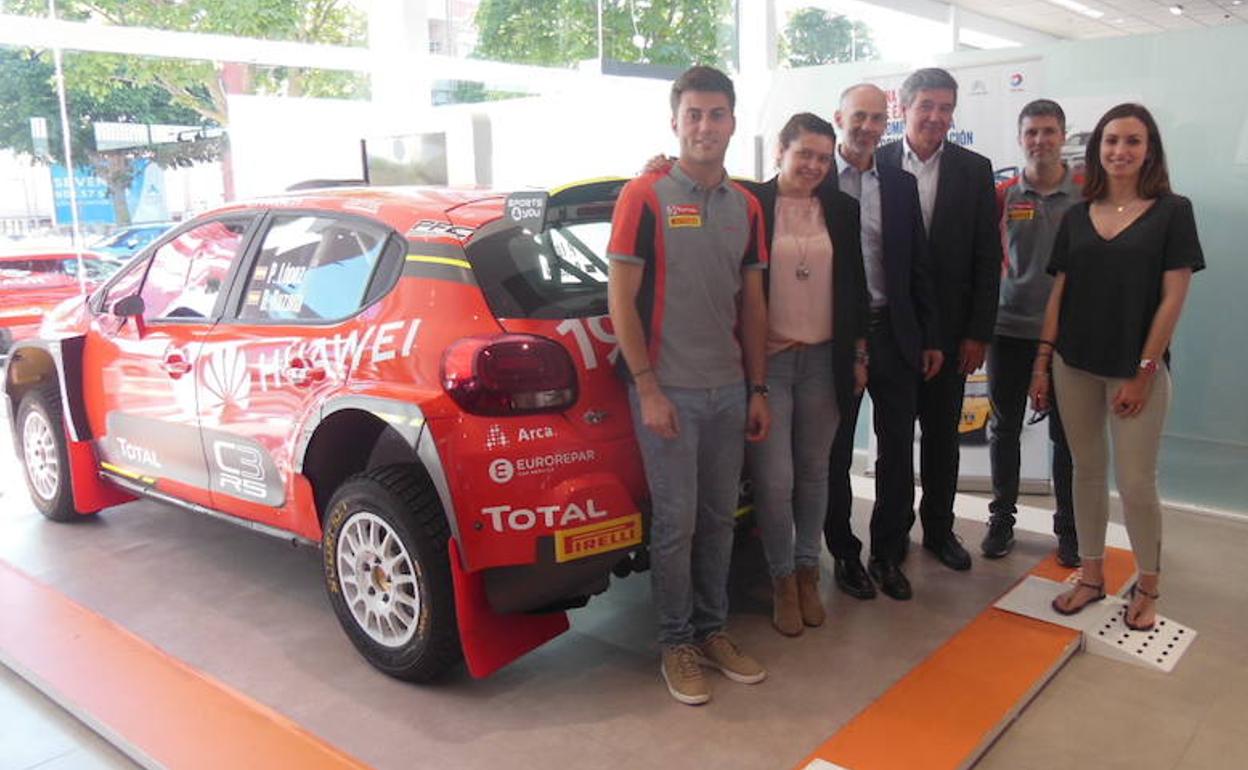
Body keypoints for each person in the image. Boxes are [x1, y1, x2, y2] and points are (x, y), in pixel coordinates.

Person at [607, 65, 770, 706]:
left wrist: (758, 388)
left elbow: (754, 305)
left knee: (719, 520)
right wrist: (646, 386)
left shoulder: (748, 206)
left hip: (730, 390)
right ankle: (676, 641)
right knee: (674, 525)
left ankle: (712, 629)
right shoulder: (643, 196)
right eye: (694, 115)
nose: (705, 126)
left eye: (717, 115)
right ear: (675, 121)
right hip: (668, 390)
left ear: (732, 122)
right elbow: (620, 298)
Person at [1032, 103, 1203, 632]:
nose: (1120, 151)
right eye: (1110, 141)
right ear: (1097, 149)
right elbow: (1060, 289)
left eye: (1132, 141)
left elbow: (1173, 297)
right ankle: (1090, 576)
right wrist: (1043, 361)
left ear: (1148, 148)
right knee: (1085, 473)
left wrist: (1145, 370)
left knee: (1135, 481)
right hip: (1073, 364)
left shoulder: (1173, 211)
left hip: (1135, 369)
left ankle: (1148, 586)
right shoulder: (1077, 215)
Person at [738, 112, 869, 635]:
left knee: (816, 474)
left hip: (824, 360)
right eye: (804, 153)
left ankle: (810, 571)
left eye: (823, 155)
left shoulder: (842, 208)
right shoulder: (750, 204)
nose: (814, 164)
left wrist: (860, 354)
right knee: (775, 481)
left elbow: (855, 285)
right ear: (780, 151)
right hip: (769, 364)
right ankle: (781, 579)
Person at [877, 67, 1002, 572]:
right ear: (902, 108)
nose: (936, 116)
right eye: (926, 105)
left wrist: (978, 332)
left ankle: (939, 531)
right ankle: (890, 537)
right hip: (893, 331)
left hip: (953, 333)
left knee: (943, 440)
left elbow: (987, 258)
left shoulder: (975, 169)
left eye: (946, 107)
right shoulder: (878, 164)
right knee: (893, 443)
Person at [822, 83, 943, 601]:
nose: (868, 127)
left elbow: (919, 266)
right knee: (835, 453)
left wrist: (931, 335)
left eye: (877, 118)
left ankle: (888, 553)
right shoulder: (813, 177)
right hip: (835, 337)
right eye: (859, 117)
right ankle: (844, 554)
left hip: (894, 333)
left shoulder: (899, 183)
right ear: (839, 117)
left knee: (898, 450)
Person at [983, 99, 1080, 567]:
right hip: (1009, 329)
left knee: (1067, 435)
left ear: (1063, 135)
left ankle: (1069, 529)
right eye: (1031, 132)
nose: (1040, 140)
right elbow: (985, 261)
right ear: (1021, 138)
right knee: (1004, 429)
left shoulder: (1086, 193)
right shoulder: (1004, 195)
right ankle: (1001, 520)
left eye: (1048, 131)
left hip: (1068, 334)